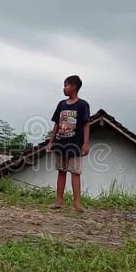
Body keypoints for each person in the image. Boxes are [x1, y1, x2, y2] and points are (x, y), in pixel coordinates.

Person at [45, 75, 90, 212]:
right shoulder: (61, 104)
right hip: (60, 143)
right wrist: (51, 142)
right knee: (61, 171)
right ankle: (59, 201)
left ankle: (77, 203)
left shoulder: (83, 105)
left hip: (75, 144)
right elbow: (56, 125)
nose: (64, 88)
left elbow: (86, 124)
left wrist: (86, 143)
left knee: (75, 172)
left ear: (74, 87)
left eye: (66, 85)